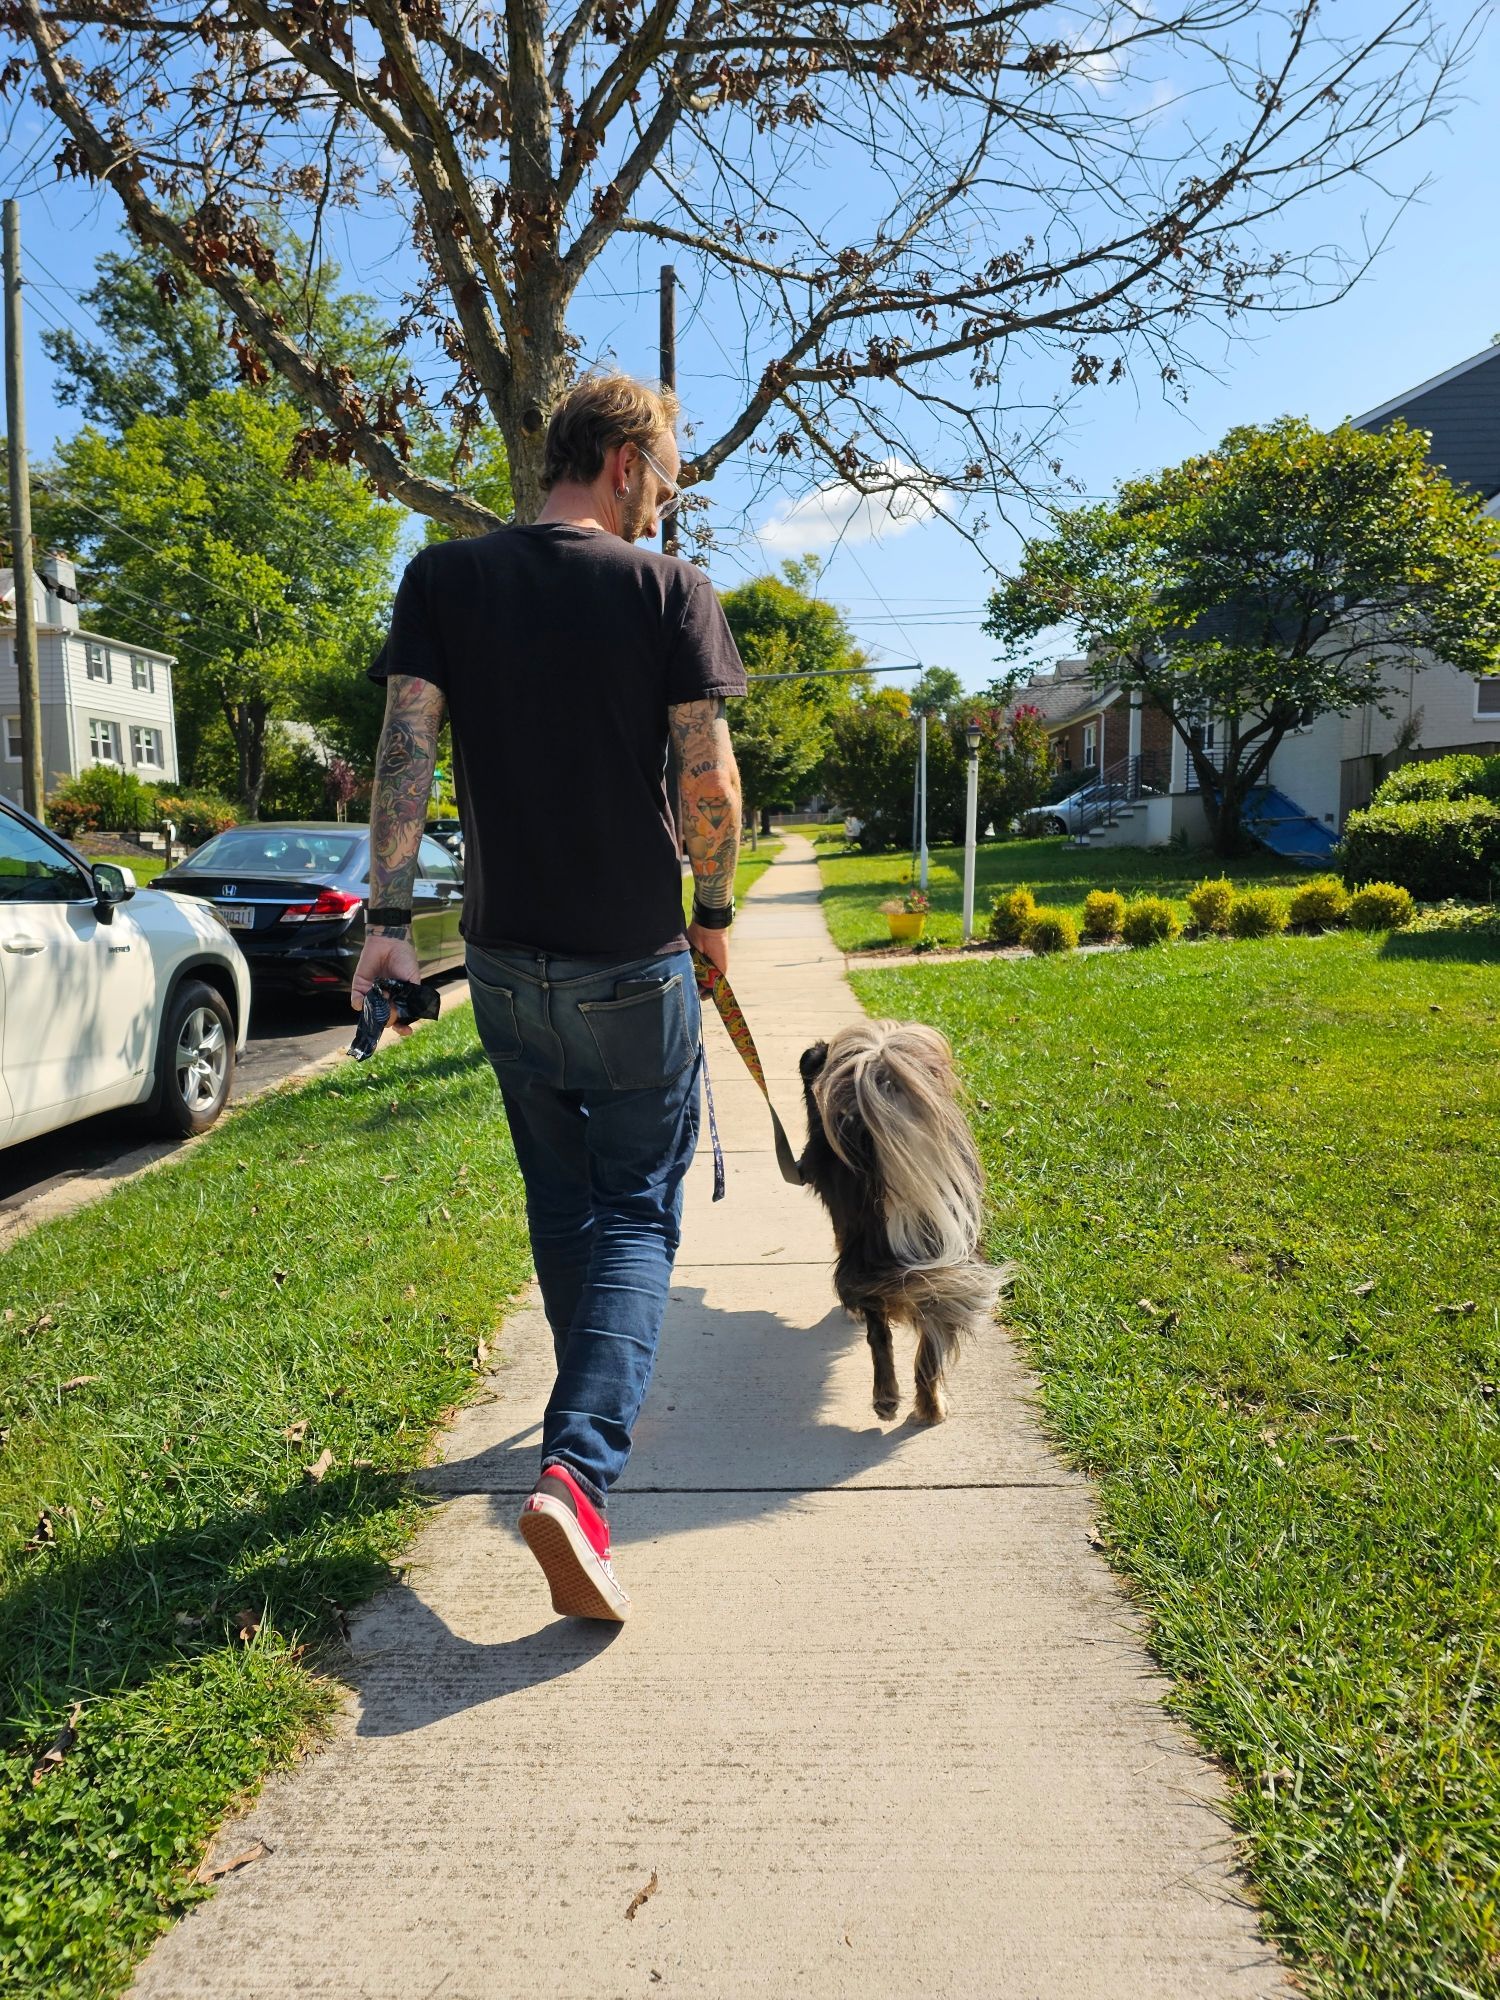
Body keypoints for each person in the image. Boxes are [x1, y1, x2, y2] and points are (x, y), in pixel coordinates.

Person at [356, 373, 746, 1623]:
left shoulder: (443, 578)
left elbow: (404, 751)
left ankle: (573, 1443)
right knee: (636, 1210)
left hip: (508, 965)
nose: (668, 496)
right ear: (626, 459)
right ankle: (577, 1473)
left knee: (564, 1204)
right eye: (669, 472)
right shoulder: (668, 588)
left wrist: (385, 924)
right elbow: (711, 781)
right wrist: (715, 914)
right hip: (635, 960)